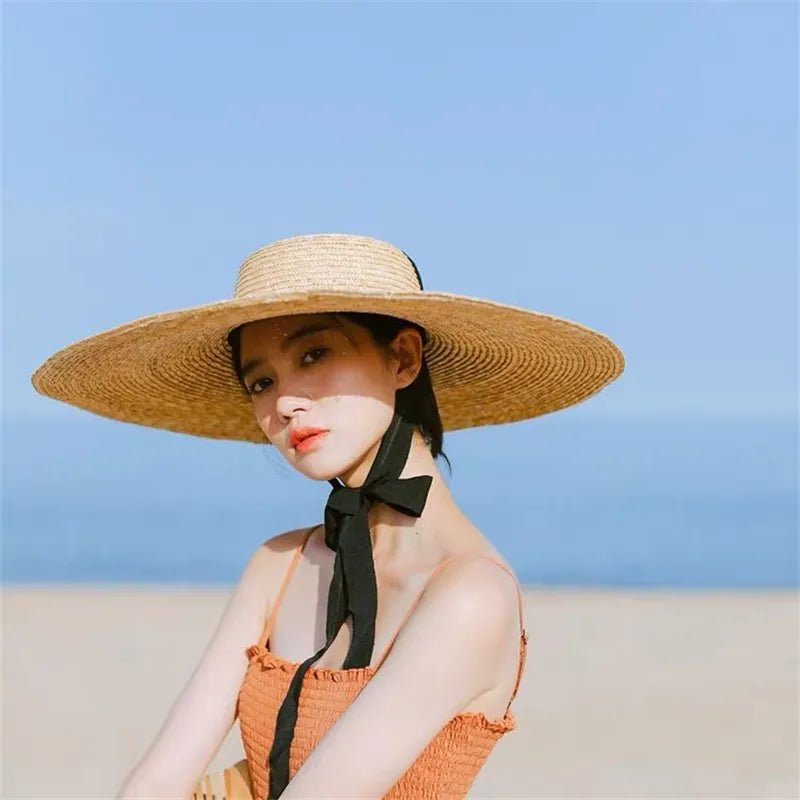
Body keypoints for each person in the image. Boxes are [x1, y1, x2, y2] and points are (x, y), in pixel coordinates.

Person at [31, 233, 625, 799]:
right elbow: (154, 784)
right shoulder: (279, 564)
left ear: (404, 357)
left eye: (314, 354)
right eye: (261, 381)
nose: (284, 402)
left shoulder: (470, 594)